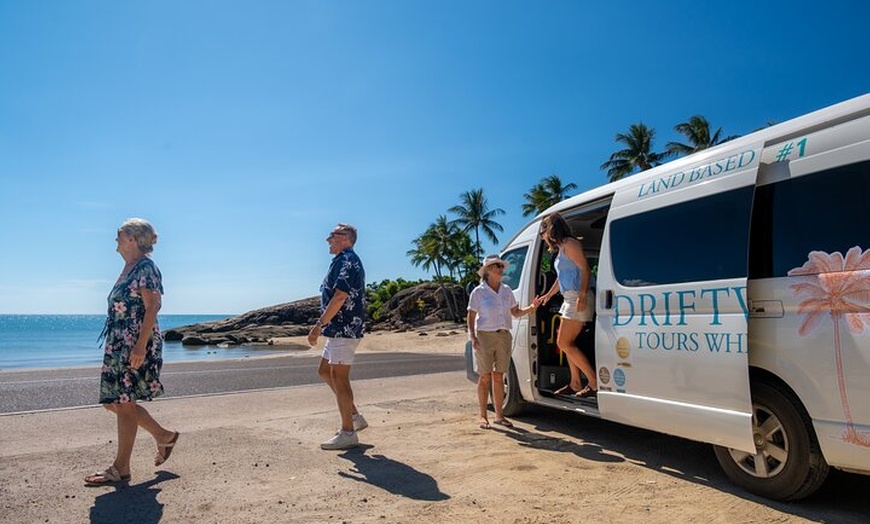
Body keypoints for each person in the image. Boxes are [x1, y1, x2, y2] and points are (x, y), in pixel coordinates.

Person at [84, 218, 179, 485]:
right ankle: (163, 436)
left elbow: (153, 307)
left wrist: (140, 346)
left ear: (133, 239)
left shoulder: (146, 267)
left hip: (134, 343)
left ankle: (120, 468)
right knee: (112, 403)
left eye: (120, 234)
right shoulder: (129, 268)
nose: (116, 238)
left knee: (124, 404)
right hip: (118, 344)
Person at [308, 223, 367, 450]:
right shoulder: (342, 260)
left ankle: (348, 432)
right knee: (324, 371)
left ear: (344, 238)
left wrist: (318, 326)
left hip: (344, 328)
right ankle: (354, 416)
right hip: (338, 330)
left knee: (340, 378)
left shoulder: (347, 260)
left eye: (331, 235)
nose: (327, 240)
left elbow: (340, 296)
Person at [467, 255, 541, 429]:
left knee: (499, 376)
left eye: (501, 266)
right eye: (496, 266)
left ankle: (499, 416)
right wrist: (473, 337)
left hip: (504, 335)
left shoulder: (506, 290)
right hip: (485, 335)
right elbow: (471, 315)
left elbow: (515, 312)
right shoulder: (479, 291)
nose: (501, 269)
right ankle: (483, 416)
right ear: (488, 271)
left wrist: (532, 307)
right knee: (485, 376)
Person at [538, 212, 598, 398]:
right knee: (566, 342)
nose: (543, 236)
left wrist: (581, 295)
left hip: (578, 297)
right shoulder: (562, 249)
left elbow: (585, 268)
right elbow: (561, 278)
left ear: (551, 230)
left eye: (543, 231)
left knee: (563, 342)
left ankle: (594, 382)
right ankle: (575, 382)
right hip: (568, 298)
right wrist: (548, 295)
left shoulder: (570, 244)